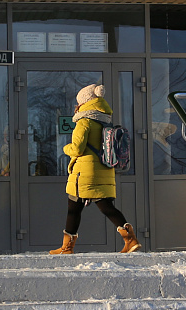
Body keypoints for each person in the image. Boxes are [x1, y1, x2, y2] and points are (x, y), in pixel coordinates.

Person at [49, 83, 142, 255]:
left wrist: (65, 148)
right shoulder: (103, 121)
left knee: (74, 208)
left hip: (85, 173)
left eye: (78, 103)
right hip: (104, 169)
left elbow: (77, 149)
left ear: (84, 103)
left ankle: (67, 247)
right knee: (106, 206)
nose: (77, 106)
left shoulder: (84, 122)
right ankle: (130, 239)